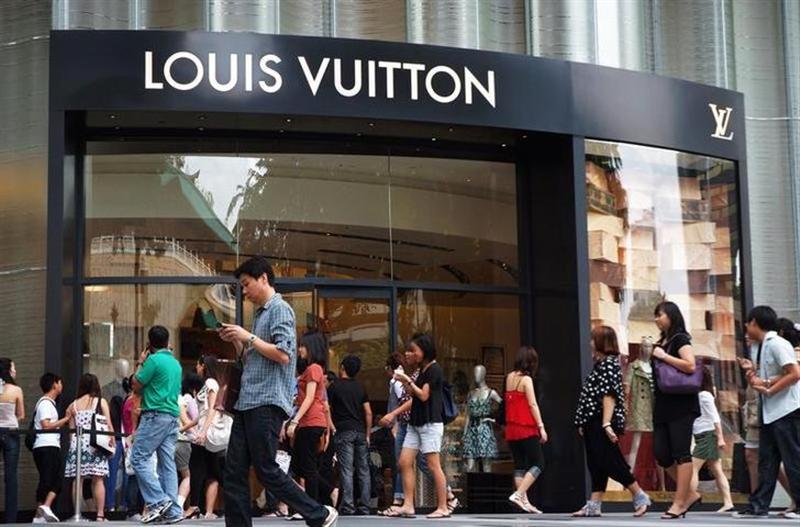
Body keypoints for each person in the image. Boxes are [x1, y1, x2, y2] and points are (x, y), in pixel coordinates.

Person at [218, 256, 338, 527]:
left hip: (268, 402)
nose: (244, 291)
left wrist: (247, 336)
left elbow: (284, 354)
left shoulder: (280, 309)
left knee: (266, 469)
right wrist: (238, 341)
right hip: (248, 402)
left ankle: (319, 513)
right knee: (234, 471)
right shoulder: (260, 315)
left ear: (263, 278)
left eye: (246, 284)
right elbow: (253, 359)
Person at [573, 328, 651, 517]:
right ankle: (594, 504)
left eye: (593, 339)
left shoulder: (609, 364)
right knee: (596, 463)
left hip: (601, 421)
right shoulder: (601, 364)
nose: (590, 342)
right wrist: (584, 422)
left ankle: (639, 495)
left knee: (610, 461)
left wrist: (606, 423)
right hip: (593, 421)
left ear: (602, 342)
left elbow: (609, 395)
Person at [734, 306, 800, 519]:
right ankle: (758, 506)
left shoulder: (778, 344)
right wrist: (751, 373)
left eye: (747, 322)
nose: (745, 326)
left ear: (754, 323)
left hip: (787, 410)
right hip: (770, 410)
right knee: (767, 461)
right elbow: (764, 377)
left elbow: (795, 373)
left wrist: (770, 389)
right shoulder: (758, 346)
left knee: (792, 460)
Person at [389, 333, 450, 519]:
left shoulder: (434, 370)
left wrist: (407, 380)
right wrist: (404, 381)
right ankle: (408, 505)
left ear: (424, 351)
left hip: (430, 423)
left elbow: (423, 395)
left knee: (433, 465)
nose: (408, 354)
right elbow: (413, 394)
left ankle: (443, 507)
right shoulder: (423, 370)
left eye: (412, 350)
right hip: (416, 423)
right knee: (404, 462)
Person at [651, 301, 701, 519]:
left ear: (671, 316)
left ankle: (679, 503)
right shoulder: (664, 340)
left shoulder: (680, 339)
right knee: (662, 454)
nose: (656, 319)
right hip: (663, 403)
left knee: (681, 453)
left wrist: (663, 356)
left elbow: (690, 365)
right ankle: (689, 494)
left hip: (681, 404)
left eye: (659, 315)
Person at [130, 325, 183, 524]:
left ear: (150, 343)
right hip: (172, 416)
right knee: (167, 464)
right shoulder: (175, 364)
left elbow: (136, 383)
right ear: (167, 340)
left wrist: (141, 362)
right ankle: (174, 511)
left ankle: (158, 501)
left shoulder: (153, 360)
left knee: (138, 458)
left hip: (155, 415)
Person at [286, 330, 331, 506]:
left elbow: (311, 397)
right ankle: (328, 492)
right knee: (300, 466)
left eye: (303, 345)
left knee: (307, 467)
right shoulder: (311, 369)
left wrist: (295, 421)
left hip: (311, 421)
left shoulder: (314, 369)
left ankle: (313, 506)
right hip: (309, 422)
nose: (300, 349)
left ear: (311, 347)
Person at [64, 373, 114, 522]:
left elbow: (71, 430)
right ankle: (100, 515)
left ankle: (78, 514)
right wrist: (112, 442)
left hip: (77, 443)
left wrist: (73, 445)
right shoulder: (100, 401)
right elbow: (109, 424)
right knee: (98, 479)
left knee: (77, 480)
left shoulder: (72, 405)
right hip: (95, 444)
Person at [504, 346, 548, 514]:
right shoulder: (526, 380)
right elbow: (532, 404)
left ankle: (524, 501)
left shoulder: (509, 377)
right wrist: (541, 426)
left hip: (511, 428)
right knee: (539, 462)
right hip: (525, 427)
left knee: (520, 464)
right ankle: (519, 494)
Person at [327, 354, 373, 515]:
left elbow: (327, 408)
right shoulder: (361, 388)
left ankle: (348, 505)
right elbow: (368, 412)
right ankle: (366, 506)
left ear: (342, 368)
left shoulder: (334, 386)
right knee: (363, 469)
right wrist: (367, 433)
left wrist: (332, 427)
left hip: (343, 431)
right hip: (360, 431)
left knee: (346, 469)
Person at [185, 355, 226, 520]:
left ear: (204, 366)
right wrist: (186, 427)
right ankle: (206, 510)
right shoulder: (204, 385)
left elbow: (212, 410)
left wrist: (203, 431)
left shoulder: (210, 383)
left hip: (206, 434)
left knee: (197, 468)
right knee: (210, 471)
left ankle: (196, 507)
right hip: (202, 432)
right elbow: (201, 414)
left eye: (198, 364)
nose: (197, 367)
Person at [689, 366, 733, 513]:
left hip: (707, 435)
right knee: (717, 470)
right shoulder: (701, 394)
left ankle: (687, 498)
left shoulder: (704, 395)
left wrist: (720, 437)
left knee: (692, 468)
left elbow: (715, 417)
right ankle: (728, 502)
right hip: (704, 434)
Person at [32, 373, 71, 523]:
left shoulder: (48, 403)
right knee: (50, 480)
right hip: (46, 445)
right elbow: (45, 425)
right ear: (54, 384)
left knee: (51, 479)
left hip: (48, 446)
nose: (61, 386)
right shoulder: (45, 403)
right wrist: (65, 420)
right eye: (60, 383)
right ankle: (42, 510)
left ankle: (41, 513)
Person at [0, 358, 24, 523]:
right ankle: (10, 520)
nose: (15, 371)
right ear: (8, 371)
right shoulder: (15, 390)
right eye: (14, 368)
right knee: (11, 476)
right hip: (11, 433)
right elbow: (21, 414)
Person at [177, 373, 202, 514]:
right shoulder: (186, 399)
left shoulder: (171, 398)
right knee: (187, 475)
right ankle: (178, 505)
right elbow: (190, 420)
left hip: (169, 440)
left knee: (168, 474)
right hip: (183, 440)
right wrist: (197, 434)